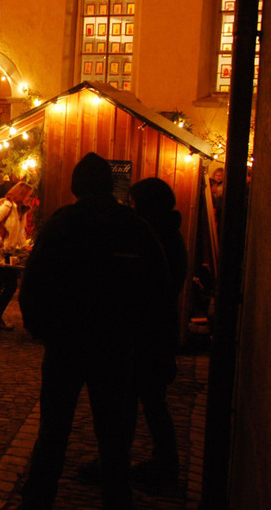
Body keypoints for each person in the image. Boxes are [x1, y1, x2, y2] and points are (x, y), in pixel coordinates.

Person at [17, 153, 169, 509]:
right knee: (113, 435)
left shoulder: (62, 224)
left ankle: (38, 500)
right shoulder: (133, 226)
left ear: (76, 186)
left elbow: (34, 281)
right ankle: (117, 499)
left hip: (66, 343)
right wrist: (141, 334)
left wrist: (42, 329)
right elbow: (159, 287)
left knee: (53, 431)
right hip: (114, 345)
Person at [127, 177, 187, 486]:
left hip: (150, 331)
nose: (131, 207)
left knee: (148, 401)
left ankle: (163, 466)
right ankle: (162, 463)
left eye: (135, 202)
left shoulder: (157, 238)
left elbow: (150, 286)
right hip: (157, 329)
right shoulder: (168, 235)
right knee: (151, 401)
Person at [0, 180, 34, 330]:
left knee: (11, 286)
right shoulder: (7, 207)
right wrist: (0, 242)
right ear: (21, 194)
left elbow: (20, 233)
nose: (29, 198)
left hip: (8, 254)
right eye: (28, 195)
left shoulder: (22, 211)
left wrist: (24, 247)